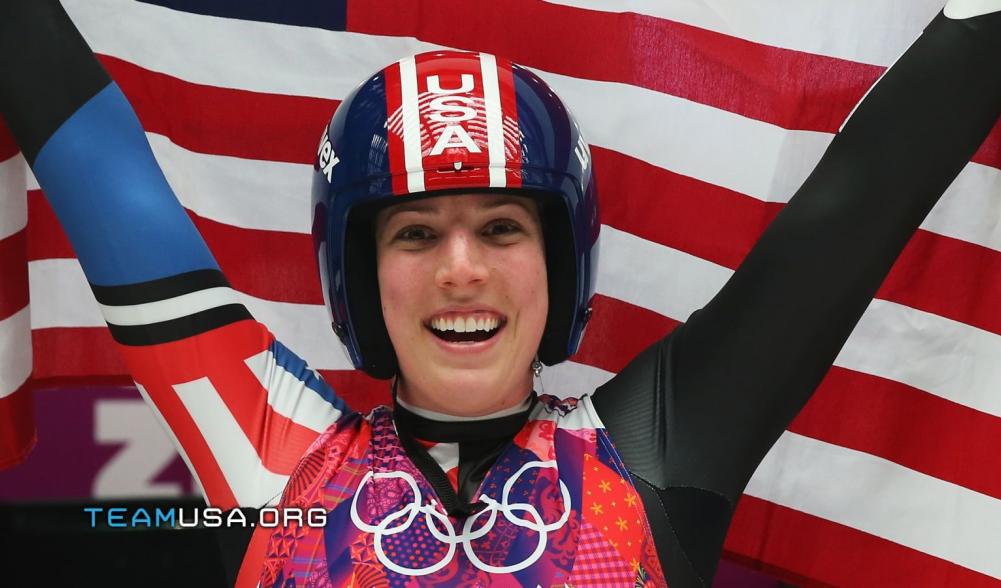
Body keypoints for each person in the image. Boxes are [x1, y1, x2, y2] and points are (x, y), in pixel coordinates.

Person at [3, 1, 1001, 586]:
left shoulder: (649, 460)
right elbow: (94, 160)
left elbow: (855, 211)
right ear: (358, 276)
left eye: (501, 227)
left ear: (561, 262)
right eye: (413, 232)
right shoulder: (278, 470)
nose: (460, 268)